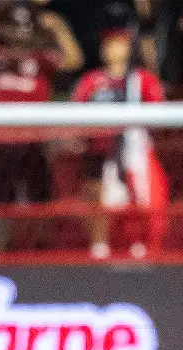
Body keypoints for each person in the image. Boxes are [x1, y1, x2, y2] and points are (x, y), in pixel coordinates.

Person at [0, 1, 82, 248]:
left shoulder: (41, 57)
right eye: (13, 29)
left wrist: (57, 27)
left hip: (37, 137)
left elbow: (73, 60)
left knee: (41, 195)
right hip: (2, 138)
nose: (18, 36)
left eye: (23, 29)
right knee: (4, 197)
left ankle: (43, 247)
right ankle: (10, 246)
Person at [71, 29, 167, 260]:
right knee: (98, 199)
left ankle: (139, 246)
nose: (116, 50)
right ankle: (99, 248)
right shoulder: (91, 81)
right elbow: (75, 111)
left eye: (121, 44)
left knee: (139, 197)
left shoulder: (142, 79)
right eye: (111, 45)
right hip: (98, 151)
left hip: (134, 150)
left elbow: (159, 111)